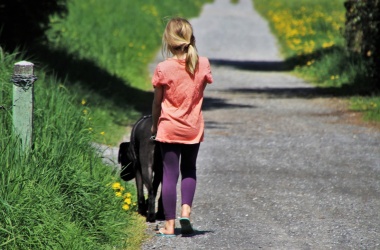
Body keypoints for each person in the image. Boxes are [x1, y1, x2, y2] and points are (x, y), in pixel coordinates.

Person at [151, 17, 213, 236]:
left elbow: (158, 102)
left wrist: (153, 126)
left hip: (169, 128)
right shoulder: (203, 63)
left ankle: (169, 225)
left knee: (170, 174)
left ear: (168, 41)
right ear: (190, 38)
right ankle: (186, 211)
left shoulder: (163, 68)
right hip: (193, 128)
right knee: (189, 169)